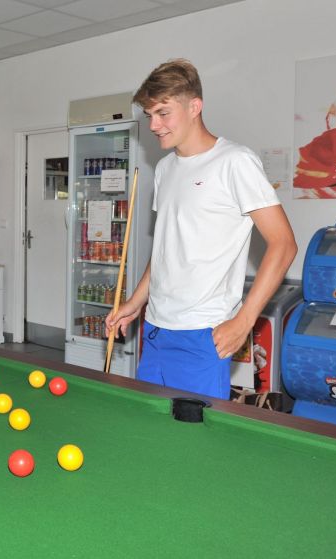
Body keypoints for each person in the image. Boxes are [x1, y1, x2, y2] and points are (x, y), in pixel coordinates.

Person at [105, 59, 297, 400]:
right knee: (150, 431)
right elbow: (166, 248)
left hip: (201, 333)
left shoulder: (235, 161)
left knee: (194, 443)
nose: (154, 124)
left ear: (195, 106)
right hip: (155, 327)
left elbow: (283, 244)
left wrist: (244, 320)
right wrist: (135, 302)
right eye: (149, 114)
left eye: (163, 113)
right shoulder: (164, 169)